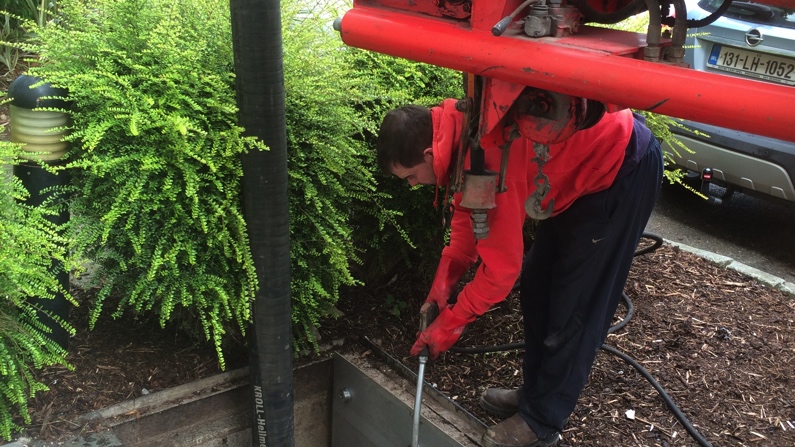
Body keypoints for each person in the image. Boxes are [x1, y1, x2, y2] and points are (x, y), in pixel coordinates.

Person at [376, 91, 664, 447]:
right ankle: (534, 394)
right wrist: (442, 286)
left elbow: (501, 271)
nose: (414, 185)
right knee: (537, 289)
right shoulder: (463, 132)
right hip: (575, 179)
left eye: (411, 177)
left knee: (574, 307)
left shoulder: (489, 156)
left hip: (619, 167)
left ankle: (542, 420)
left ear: (428, 154)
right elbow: (468, 223)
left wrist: (450, 325)